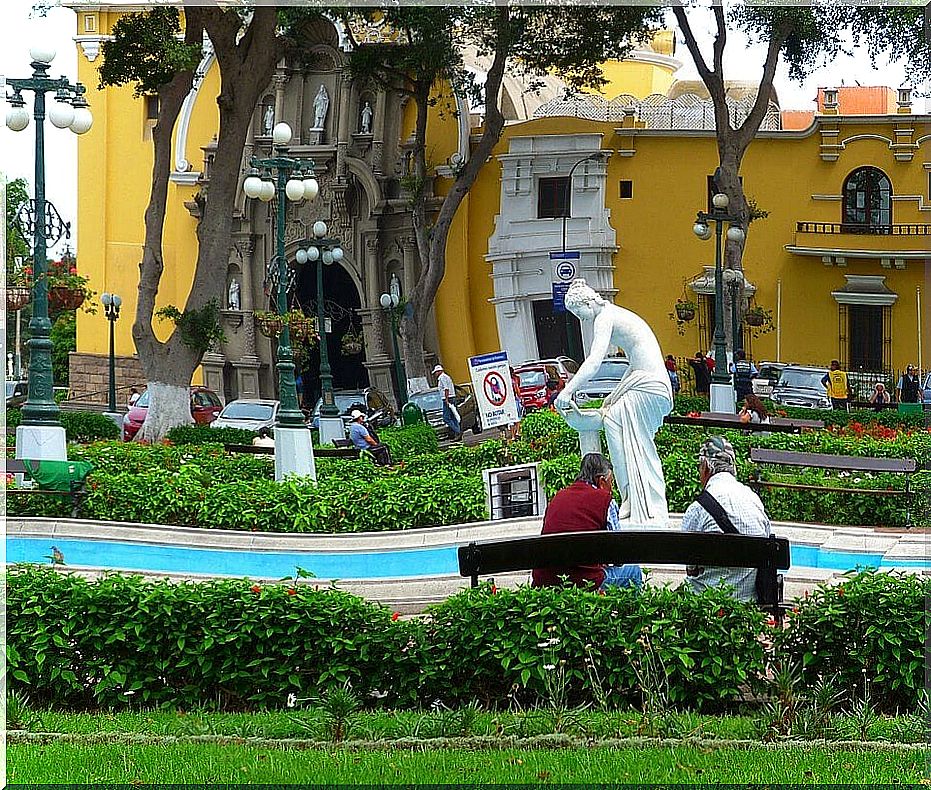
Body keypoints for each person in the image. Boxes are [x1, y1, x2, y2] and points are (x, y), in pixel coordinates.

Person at [555, 279, 673, 526]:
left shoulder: (605, 317)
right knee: (612, 417)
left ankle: (641, 501)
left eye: (580, 313)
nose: (582, 320)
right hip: (643, 379)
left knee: (621, 426)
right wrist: (607, 401)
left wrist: (567, 391)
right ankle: (632, 495)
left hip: (649, 384)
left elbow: (594, 361)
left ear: (588, 302)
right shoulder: (611, 315)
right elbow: (635, 360)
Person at [531, 453, 643, 591]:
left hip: (545, 580)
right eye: (611, 482)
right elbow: (617, 555)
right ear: (601, 481)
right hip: (583, 581)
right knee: (634, 572)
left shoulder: (558, 497)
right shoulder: (605, 500)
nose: (612, 488)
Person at [681, 436, 772, 602]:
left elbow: (691, 569)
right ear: (732, 467)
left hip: (704, 602)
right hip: (747, 600)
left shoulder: (697, 509)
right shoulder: (754, 500)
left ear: (705, 467)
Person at [433, 363, 461, 440]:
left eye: (436, 372)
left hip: (448, 399)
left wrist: (446, 399)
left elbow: (446, 389)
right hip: (451, 398)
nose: (435, 374)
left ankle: (458, 431)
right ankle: (458, 434)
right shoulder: (447, 377)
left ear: (439, 371)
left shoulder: (442, 378)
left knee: (446, 418)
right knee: (453, 416)